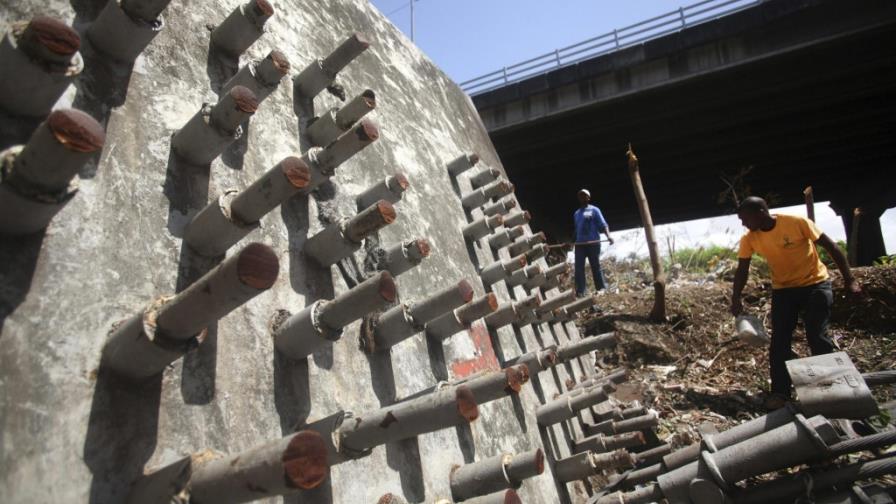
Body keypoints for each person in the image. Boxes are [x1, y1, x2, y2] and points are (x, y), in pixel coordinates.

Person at [730, 196, 861, 410]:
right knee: (779, 341)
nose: (743, 224)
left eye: (745, 218)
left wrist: (850, 280)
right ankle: (781, 393)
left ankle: (834, 388)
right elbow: (742, 270)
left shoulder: (796, 223)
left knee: (816, 334)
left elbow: (832, 248)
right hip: (784, 290)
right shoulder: (750, 238)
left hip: (815, 284)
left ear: (761, 212)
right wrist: (735, 297)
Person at [572, 189, 613, 297]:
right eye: (580, 195)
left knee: (595, 266)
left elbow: (603, 224)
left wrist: (609, 236)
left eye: (584, 195)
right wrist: (572, 242)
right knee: (578, 268)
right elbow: (577, 230)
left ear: (588, 198)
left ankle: (601, 288)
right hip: (580, 245)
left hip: (593, 243)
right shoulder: (576, 213)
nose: (582, 197)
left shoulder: (595, 210)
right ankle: (581, 291)